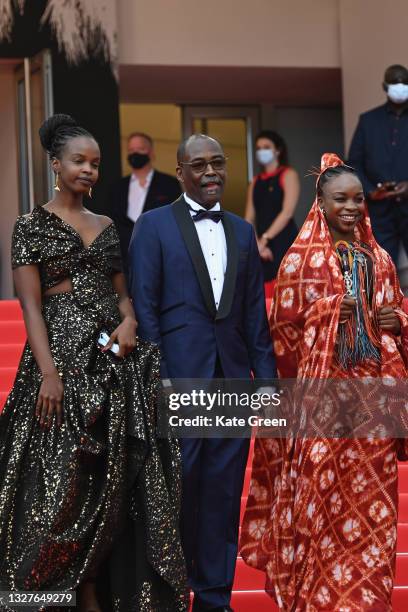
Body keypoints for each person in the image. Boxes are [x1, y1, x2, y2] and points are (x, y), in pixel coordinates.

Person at [0, 114, 188, 612]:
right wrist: (48, 373)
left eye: (96, 163)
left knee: (114, 484)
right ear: (55, 164)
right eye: (79, 161)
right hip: (60, 360)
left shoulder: (107, 226)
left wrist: (128, 322)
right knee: (60, 486)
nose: (89, 170)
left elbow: (122, 297)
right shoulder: (30, 225)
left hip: (114, 364)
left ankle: (96, 590)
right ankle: (57, 592)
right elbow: (32, 306)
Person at [240, 154, 408, 610]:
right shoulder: (301, 261)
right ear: (321, 202)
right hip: (319, 405)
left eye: (358, 199)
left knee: (375, 504)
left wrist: (397, 322)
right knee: (321, 503)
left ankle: (365, 600)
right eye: (341, 199)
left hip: (372, 401)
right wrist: (326, 315)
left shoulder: (380, 257)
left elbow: (395, 319)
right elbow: (284, 335)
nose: (351, 207)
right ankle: (317, 598)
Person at [129, 134, 276, 612]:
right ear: (180, 171)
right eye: (199, 164)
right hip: (178, 378)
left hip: (231, 379)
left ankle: (214, 597)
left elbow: (255, 314)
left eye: (218, 162)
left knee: (221, 493)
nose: (211, 171)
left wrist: (268, 383)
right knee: (178, 490)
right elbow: (145, 307)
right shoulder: (152, 226)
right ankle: (171, 592)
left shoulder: (240, 230)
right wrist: (159, 379)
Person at [349, 64, 408, 267]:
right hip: (380, 209)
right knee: (381, 267)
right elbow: (354, 162)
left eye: (404, 82)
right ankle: (386, 301)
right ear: (385, 86)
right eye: (395, 82)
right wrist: (371, 190)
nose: (400, 86)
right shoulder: (368, 121)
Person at [108, 132, 181, 276]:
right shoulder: (117, 187)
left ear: (151, 153)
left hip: (160, 259)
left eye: (140, 149)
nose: (135, 153)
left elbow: (175, 220)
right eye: (131, 150)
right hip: (124, 264)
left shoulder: (169, 184)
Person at [245, 130, 299, 283]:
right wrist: (257, 244)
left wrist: (265, 239)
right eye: (259, 148)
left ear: (278, 150)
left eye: (266, 146)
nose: (262, 151)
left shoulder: (288, 174)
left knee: (286, 287)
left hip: (283, 239)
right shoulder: (255, 181)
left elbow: (287, 212)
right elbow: (249, 217)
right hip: (260, 245)